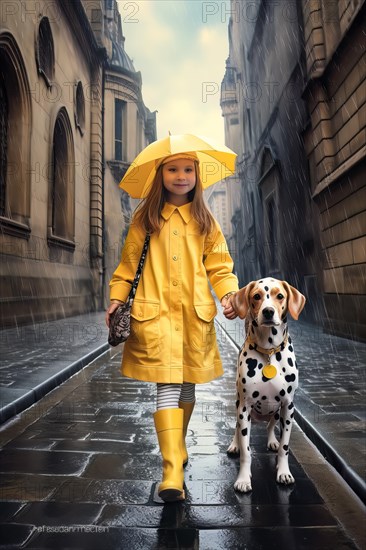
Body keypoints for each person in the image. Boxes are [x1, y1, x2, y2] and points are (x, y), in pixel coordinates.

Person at [105, 152, 238, 502]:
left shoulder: (206, 221)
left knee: (188, 387)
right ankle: (171, 470)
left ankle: (177, 446)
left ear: (197, 175)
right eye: (173, 169)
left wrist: (229, 296)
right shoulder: (145, 218)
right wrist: (117, 297)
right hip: (156, 316)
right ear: (160, 174)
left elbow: (220, 267)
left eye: (188, 170)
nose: (181, 176)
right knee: (167, 384)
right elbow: (128, 264)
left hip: (195, 317)